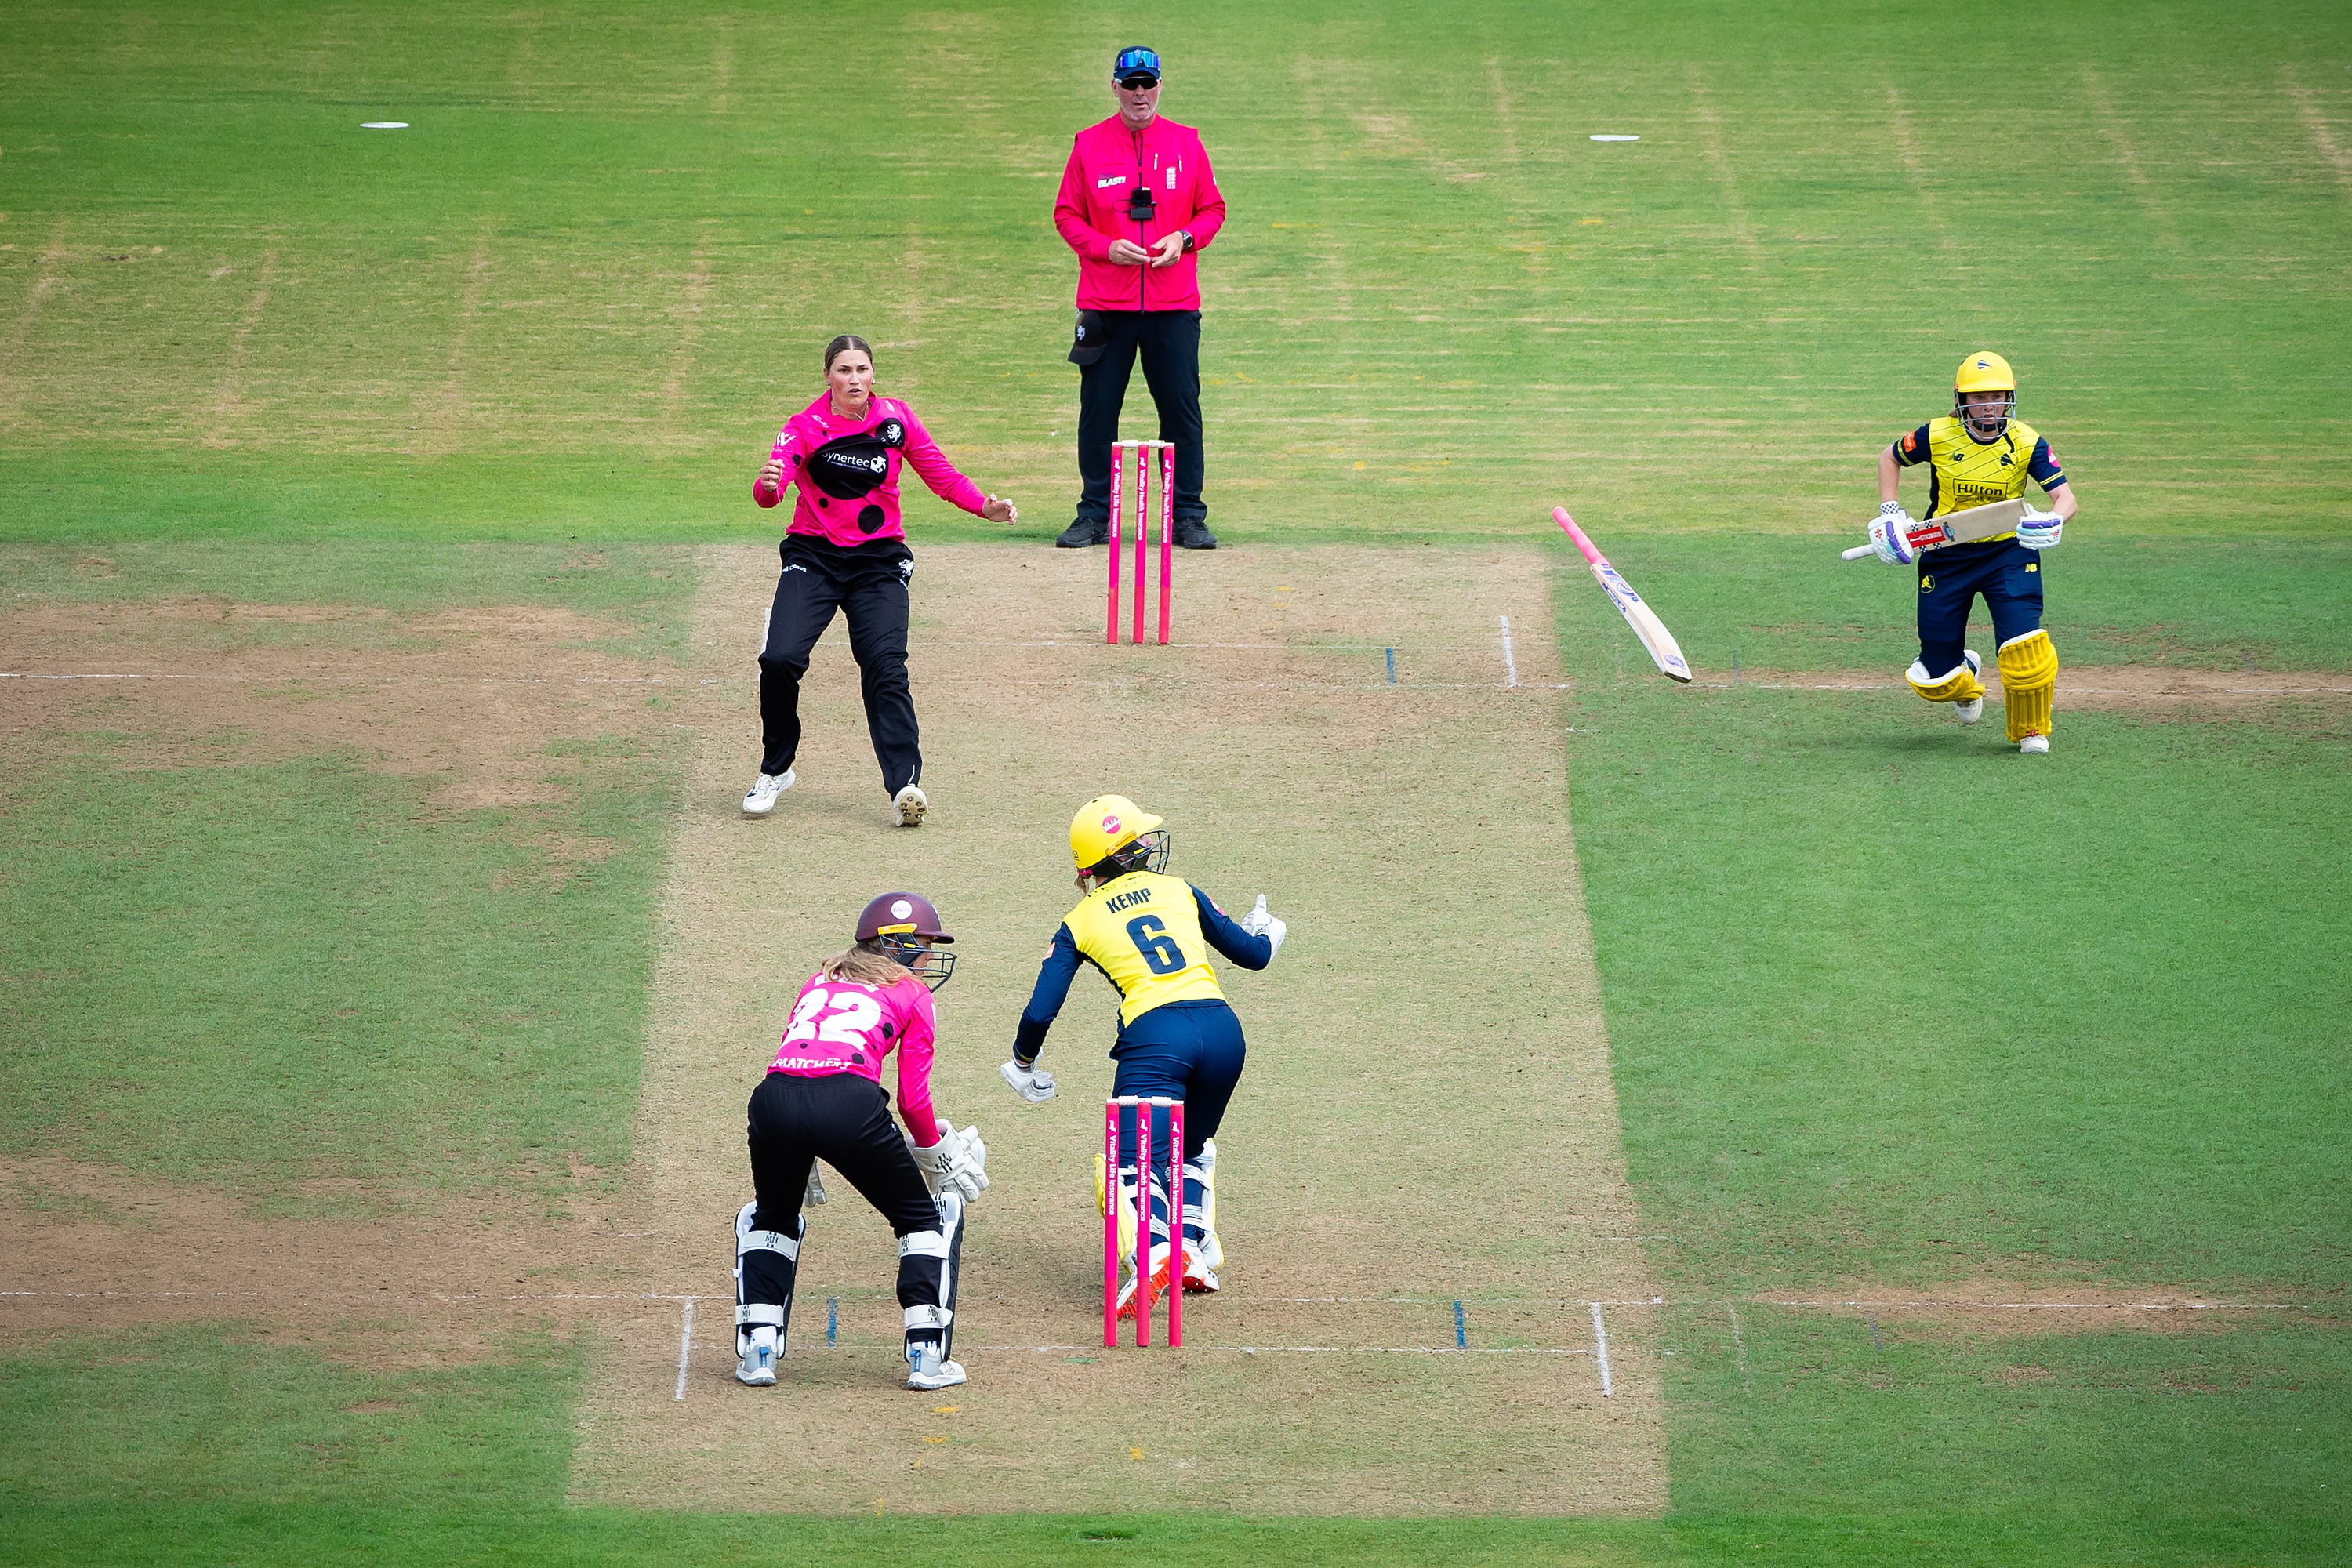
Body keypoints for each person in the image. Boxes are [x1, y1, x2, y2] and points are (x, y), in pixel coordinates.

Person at [996, 796, 1285, 1308]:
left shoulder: (1079, 920)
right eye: (1140, 838)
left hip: (1156, 1039)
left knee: (1128, 1165)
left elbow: (1040, 1011)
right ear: (1126, 852)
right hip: (1224, 1033)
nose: (1150, 843)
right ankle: (1191, 1250)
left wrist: (1023, 1062)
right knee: (1188, 1150)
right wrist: (1266, 929)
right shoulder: (1180, 889)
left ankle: (1153, 1254)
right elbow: (1255, 955)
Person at [745, 336, 1019, 824]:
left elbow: (941, 474)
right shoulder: (802, 427)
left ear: (873, 374)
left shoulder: (897, 419)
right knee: (779, 659)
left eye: (862, 370)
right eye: (844, 370)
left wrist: (984, 507)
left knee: (885, 666)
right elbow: (774, 486)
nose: (854, 380)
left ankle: (904, 787)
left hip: (879, 562)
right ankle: (776, 768)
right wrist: (767, 488)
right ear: (827, 376)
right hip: (814, 555)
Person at [734, 892, 989, 1392]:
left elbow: (800, 1057)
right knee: (924, 1220)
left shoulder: (818, 980)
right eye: (924, 945)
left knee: (771, 1219)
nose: (929, 957)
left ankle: (758, 1351)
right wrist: (936, 1153)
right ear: (898, 946)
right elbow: (913, 1099)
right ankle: (927, 1356)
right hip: (849, 1103)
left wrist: (801, 1141)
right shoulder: (914, 993)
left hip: (773, 1100)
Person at [1051, 46, 1226, 552]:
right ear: (1115, 87)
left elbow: (1212, 210)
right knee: (1098, 412)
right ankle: (1094, 515)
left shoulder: (1187, 143)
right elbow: (1066, 215)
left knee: (1181, 412)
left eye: (1147, 83)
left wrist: (1183, 239)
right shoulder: (1088, 145)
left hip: (1173, 306)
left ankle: (1187, 516)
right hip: (1106, 305)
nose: (1139, 93)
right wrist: (1105, 248)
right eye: (1130, 84)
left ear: (1160, 86)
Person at [1865, 351, 2078, 753]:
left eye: (1996, 396)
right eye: (1979, 397)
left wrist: (2055, 520)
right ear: (1962, 399)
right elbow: (1889, 458)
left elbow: (2066, 498)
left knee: (2025, 650)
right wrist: (1890, 512)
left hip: (2008, 554)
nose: (1989, 406)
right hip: (1946, 554)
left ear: (2009, 398)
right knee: (1934, 679)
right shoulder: (1937, 434)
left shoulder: (2027, 441)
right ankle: (1965, 675)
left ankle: (2031, 729)